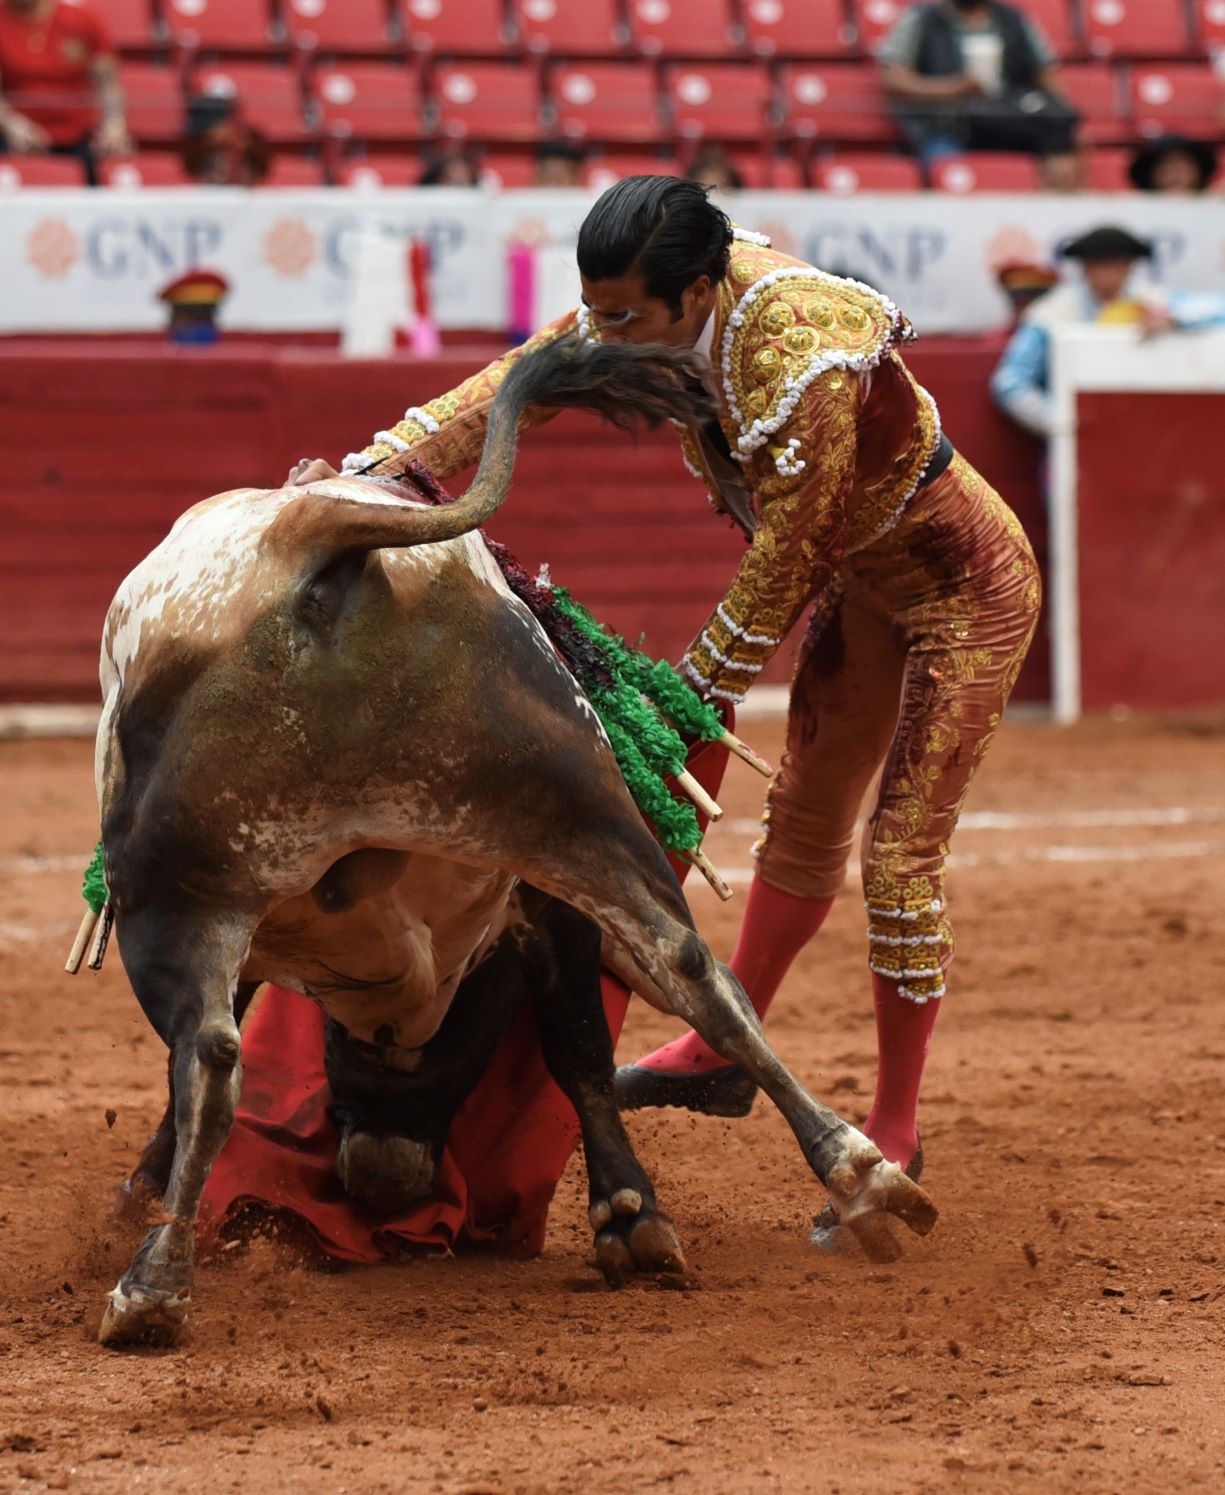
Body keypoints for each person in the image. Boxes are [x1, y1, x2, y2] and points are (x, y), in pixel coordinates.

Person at [294, 178, 1042, 1235]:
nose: (602, 336)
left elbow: (793, 553)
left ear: (695, 293)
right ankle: (720, 1049)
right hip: (861, 585)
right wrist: (370, 478)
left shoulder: (799, 349)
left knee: (897, 862)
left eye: (622, 318)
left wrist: (694, 690)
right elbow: (512, 388)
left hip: (964, 588)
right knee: (802, 822)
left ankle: (894, 1126)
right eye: (594, 312)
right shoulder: (645, 304)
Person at [991, 224, 1225, 438]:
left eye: (1116, 262)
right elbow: (1010, 381)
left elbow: (1219, 309)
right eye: (1099, 263)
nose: (1108, 271)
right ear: (1085, 267)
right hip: (1080, 436)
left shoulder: (1152, 303)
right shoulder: (1054, 313)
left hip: (1143, 430)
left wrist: (1173, 320)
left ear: (1129, 266)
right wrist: (1060, 422)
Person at [878, 0, 1079, 190]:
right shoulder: (921, 17)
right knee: (950, 173)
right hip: (945, 127)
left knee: (1061, 155)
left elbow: (1049, 77)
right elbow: (894, 80)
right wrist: (952, 88)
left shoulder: (1014, 19)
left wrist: (1064, 128)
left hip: (1008, 122)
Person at [0, 0, 131, 184]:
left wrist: (114, 124)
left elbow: (108, 84)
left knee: (113, 161)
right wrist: (12, 125)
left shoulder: (83, 19)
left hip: (79, 137)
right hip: (15, 139)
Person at [1128, 135, 1218, 195]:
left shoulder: (1217, 207)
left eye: (1182, 166)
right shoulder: (1132, 207)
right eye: (1165, 167)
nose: (1175, 173)